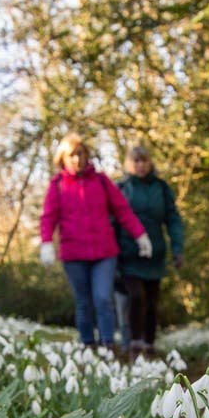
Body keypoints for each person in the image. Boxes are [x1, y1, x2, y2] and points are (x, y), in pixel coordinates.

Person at [40, 133, 152, 347]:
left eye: (80, 154)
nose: (76, 159)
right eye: (71, 155)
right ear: (63, 157)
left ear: (86, 155)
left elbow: (122, 210)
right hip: (73, 254)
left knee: (103, 298)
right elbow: (48, 216)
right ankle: (88, 345)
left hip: (104, 253)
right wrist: (46, 242)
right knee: (83, 302)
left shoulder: (101, 180)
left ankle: (107, 345)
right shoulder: (57, 185)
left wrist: (140, 235)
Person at [115, 145, 185, 356]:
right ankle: (135, 342)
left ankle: (149, 343)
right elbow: (113, 219)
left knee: (152, 301)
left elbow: (173, 219)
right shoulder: (122, 187)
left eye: (144, 160)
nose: (140, 165)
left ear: (150, 162)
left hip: (155, 253)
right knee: (136, 297)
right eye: (135, 161)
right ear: (129, 164)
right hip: (128, 253)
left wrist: (177, 248)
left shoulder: (161, 188)